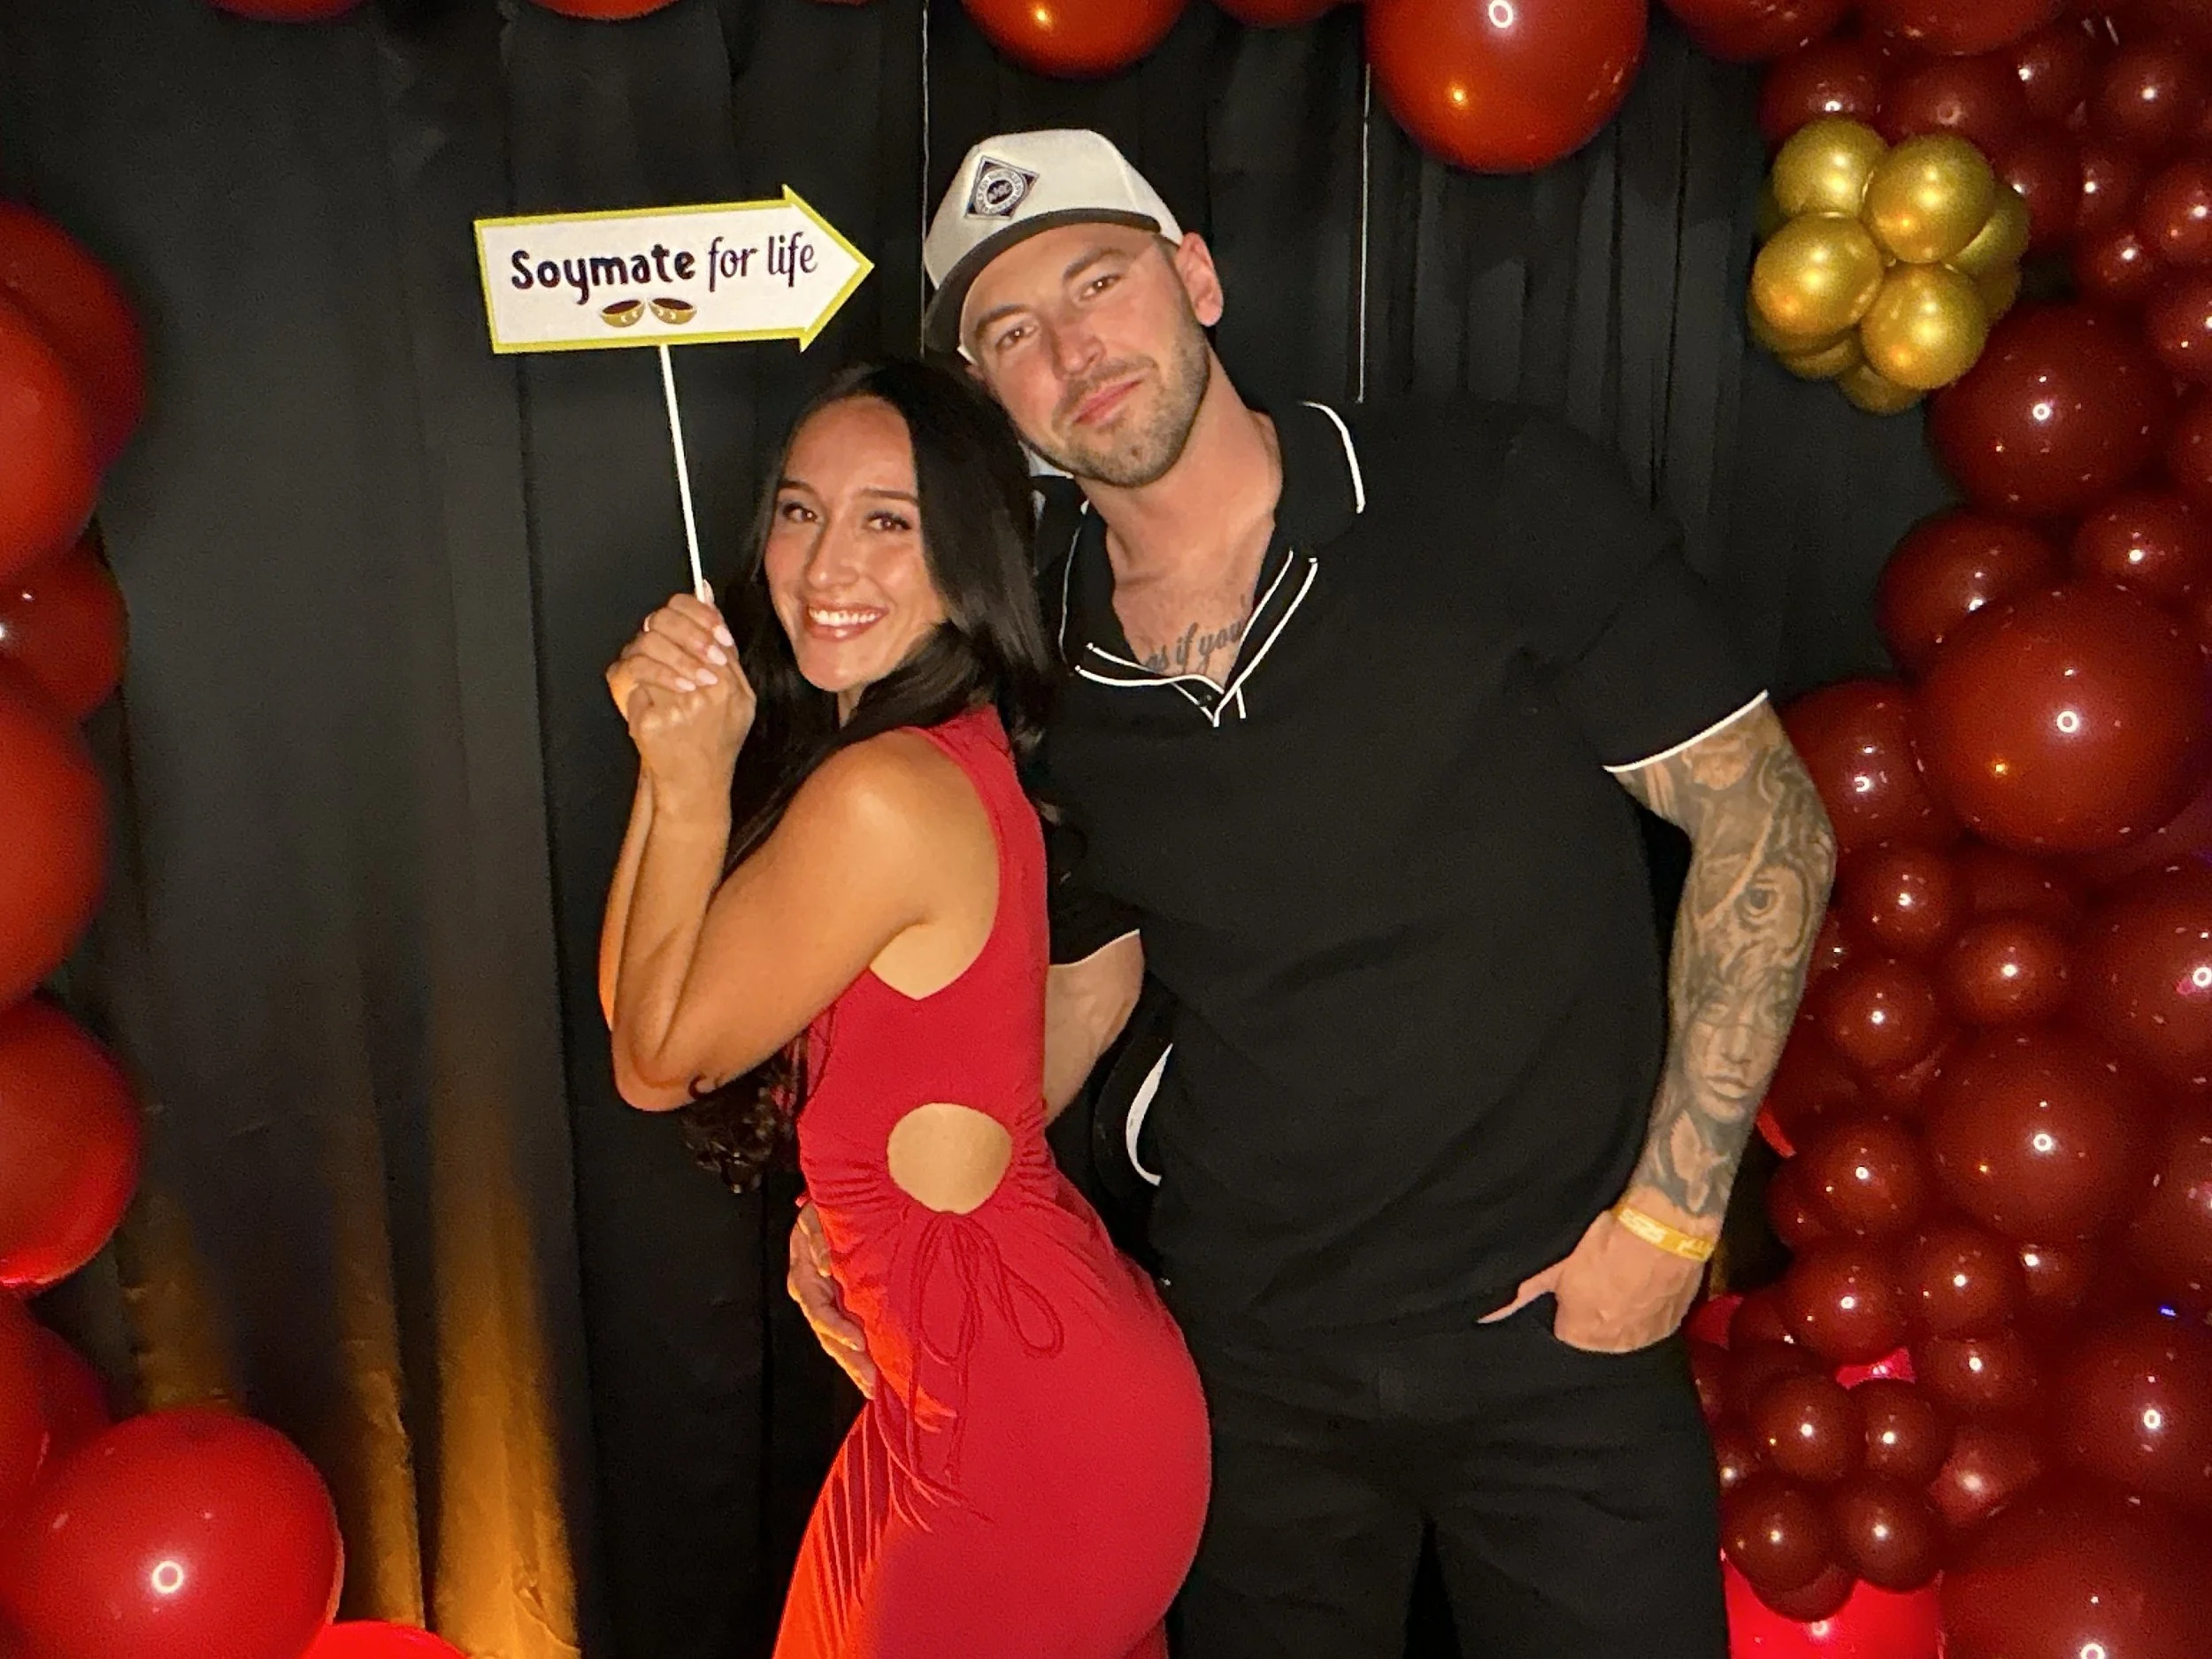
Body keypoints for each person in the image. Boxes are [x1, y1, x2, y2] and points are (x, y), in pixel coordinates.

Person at [787, 130, 1839, 1658]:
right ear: (993, 406)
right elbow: (1083, 973)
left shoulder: (1488, 491)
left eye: (1101, 280)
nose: (1074, 347)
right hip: (1242, 1362)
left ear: (1195, 278)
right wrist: (872, 1202)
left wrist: (1671, 1223)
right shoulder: (1038, 662)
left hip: (1558, 1334)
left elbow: (1765, 823)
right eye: (1013, 332)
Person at [598, 359, 1210, 1659]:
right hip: (982, 1398)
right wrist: (673, 764)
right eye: (803, 510)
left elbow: (656, 1064)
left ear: (969, 554)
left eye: (890, 519)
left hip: (1028, 1437)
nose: (830, 564)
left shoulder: (884, 796)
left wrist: (691, 781)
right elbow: (642, 997)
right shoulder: (918, 749)